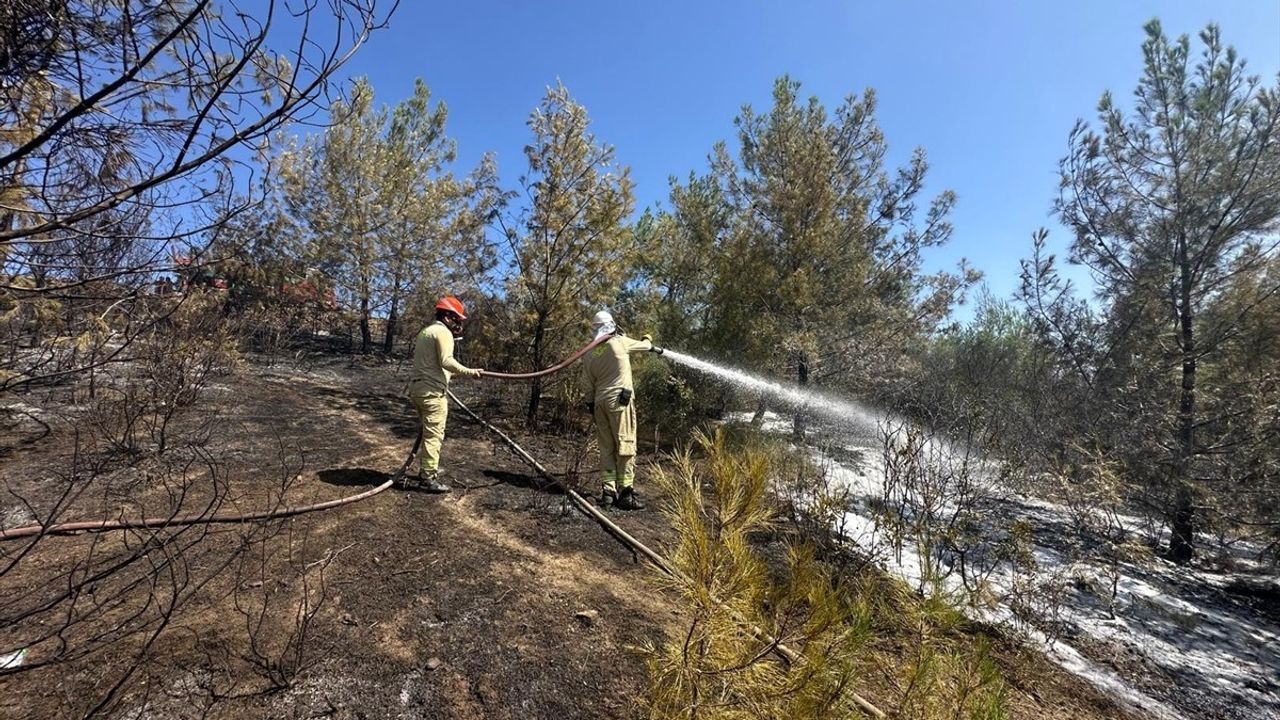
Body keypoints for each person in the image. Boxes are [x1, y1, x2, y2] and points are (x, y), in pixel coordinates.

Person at [580, 310, 663, 510]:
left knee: (607, 448)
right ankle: (626, 492)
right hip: (620, 401)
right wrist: (647, 339)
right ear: (611, 325)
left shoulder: (590, 352)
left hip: (599, 403)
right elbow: (645, 346)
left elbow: (587, 385)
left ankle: (608, 491)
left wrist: (592, 404)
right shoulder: (620, 342)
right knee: (626, 445)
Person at [405, 296, 484, 493]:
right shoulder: (443, 332)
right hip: (432, 394)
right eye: (457, 318)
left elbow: (434, 366)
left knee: (429, 433)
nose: (458, 323)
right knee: (434, 435)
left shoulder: (426, 332)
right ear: (448, 317)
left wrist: (460, 374)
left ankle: (428, 468)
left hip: (418, 390)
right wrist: (469, 371)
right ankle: (428, 477)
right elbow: (446, 361)